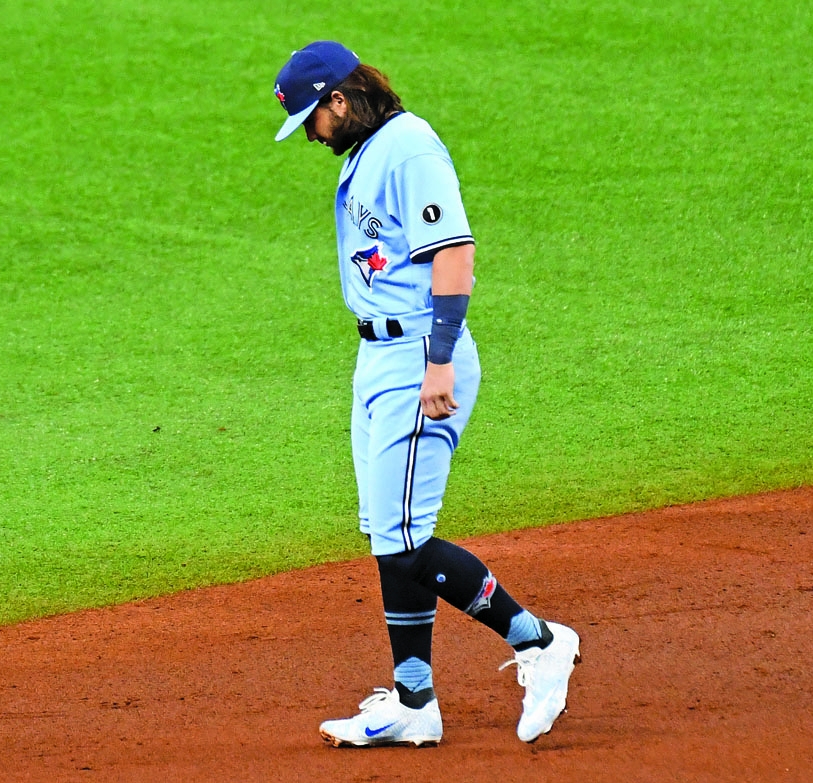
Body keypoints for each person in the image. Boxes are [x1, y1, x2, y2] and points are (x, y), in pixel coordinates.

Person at [271, 41, 581, 746]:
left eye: (314, 119)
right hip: (378, 357)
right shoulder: (367, 152)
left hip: (418, 354)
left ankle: (537, 640)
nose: (313, 135)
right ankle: (414, 703)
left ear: (340, 101)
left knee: (407, 538)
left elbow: (454, 252)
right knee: (391, 534)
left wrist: (438, 360)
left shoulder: (408, 148)